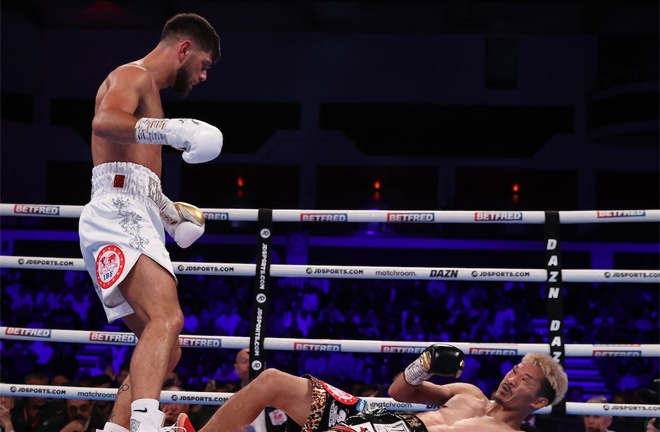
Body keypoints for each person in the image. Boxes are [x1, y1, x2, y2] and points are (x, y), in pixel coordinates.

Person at [78, 12, 222, 432]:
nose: (202, 76)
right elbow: (104, 122)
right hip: (117, 211)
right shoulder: (132, 75)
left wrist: (168, 212)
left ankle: (119, 428)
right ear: (183, 50)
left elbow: (133, 174)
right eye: (203, 65)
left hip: (130, 210)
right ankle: (145, 424)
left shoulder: (150, 97)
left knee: (167, 346)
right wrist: (174, 130)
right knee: (167, 319)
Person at [192, 344, 567, 432]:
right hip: (384, 420)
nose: (512, 377)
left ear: (538, 400)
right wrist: (424, 365)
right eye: (516, 369)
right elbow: (401, 392)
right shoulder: (469, 392)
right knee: (272, 380)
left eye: (525, 379)